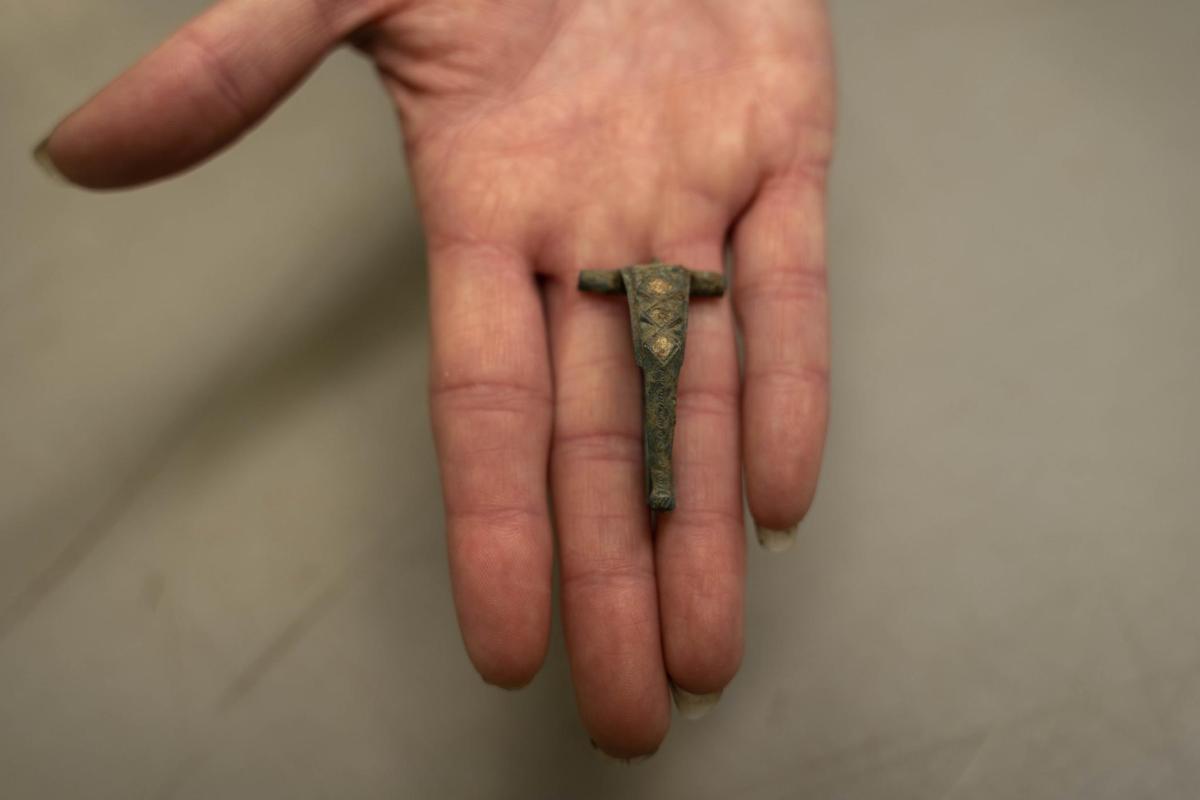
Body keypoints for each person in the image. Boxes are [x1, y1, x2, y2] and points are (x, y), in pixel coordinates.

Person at [36, 0, 834, 761]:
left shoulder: (657, 291)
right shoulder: (644, 285)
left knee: (659, 426)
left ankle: (659, 480)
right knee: (650, 441)